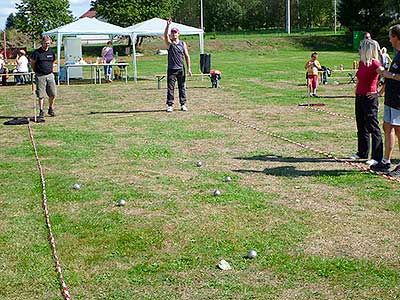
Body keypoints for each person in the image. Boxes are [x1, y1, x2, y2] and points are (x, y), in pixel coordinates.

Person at [371, 24, 400, 176]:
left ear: (396, 37)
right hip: (391, 98)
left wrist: (389, 74)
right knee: (387, 127)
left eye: (390, 36)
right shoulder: (397, 54)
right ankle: (386, 161)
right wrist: (382, 88)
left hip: (398, 100)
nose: (389, 40)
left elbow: (395, 76)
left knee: (398, 130)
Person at [348, 39, 383, 166]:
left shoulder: (375, 64)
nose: (359, 50)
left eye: (361, 48)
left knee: (373, 126)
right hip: (359, 96)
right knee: (361, 126)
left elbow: (386, 77)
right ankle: (362, 152)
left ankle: (377, 156)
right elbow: (359, 79)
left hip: (370, 99)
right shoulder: (362, 63)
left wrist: (379, 93)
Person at [164, 18, 192, 112]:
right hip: (172, 69)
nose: (173, 34)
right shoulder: (170, 44)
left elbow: (187, 56)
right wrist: (168, 25)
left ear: (178, 34)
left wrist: (189, 69)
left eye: (175, 32)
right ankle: (170, 105)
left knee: (182, 87)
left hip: (181, 69)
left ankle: (183, 104)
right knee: (170, 88)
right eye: (172, 33)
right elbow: (165, 36)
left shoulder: (182, 44)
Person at [31, 35, 57, 118]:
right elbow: (32, 63)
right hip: (40, 76)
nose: (47, 45)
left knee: (53, 94)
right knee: (41, 95)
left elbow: (53, 61)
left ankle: (50, 108)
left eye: (49, 43)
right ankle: (41, 111)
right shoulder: (36, 53)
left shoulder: (51, 52)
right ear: (42, 43)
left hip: (50, 75)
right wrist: (36, 71)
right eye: (46, 43)